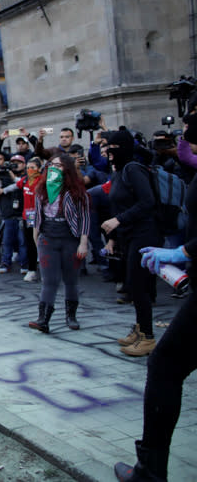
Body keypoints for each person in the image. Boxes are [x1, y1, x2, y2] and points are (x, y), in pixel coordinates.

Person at [113, 111, 197, 481]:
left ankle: (149, 469)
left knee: (165, 365)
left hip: (155, 241)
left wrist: (184, 253)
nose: (185, 132)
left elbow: (145, 201)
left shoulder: (133, 169)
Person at [103, 129, 161, 357]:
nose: (108, 151)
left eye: (112, 147)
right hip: (130, 235)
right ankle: (139, 329)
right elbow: (119, 205)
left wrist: (119, 220)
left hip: (145, 234)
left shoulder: (133, 169)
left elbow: (147, 201)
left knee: (139, 285)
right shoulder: (119, 172)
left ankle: (147, 336)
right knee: (134, 285)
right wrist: (113, 237)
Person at [28, 154, 90, 333]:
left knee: (71, 280)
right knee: (49, 280)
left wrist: (83, 243)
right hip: (48, 237)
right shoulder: (42, 190)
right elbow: (37, 217)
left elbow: (85, 218)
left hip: (70, 238)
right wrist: (36, 238)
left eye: (60, 166)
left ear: (67, 169)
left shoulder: (77, 192)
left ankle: (71, 316)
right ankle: (43, 319)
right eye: (52, 165)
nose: (55, 168)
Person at [0, 154, 28, 275]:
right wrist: (1, 175)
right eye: (13, 162)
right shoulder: (3, 175)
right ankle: (5, 263)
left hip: (22, 214)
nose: (15, 165)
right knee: (6, 241)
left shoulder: (26, 176)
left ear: (24, 165)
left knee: (23, 241)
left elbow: (23, 184)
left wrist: (11, 180)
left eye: (18, 163)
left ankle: (25, 264)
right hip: (8, 214)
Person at [14, 157, 43, 282]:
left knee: (40, 243)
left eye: (33, 168)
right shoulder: (25, 180)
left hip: (40, 215)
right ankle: (32, 270)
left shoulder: (42, 181)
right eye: (28, 168)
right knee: (30, 243)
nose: (30, 170)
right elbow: (16, 184)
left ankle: (47, 270)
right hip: (28, 216)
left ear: (39, 169)